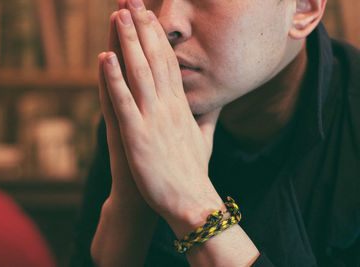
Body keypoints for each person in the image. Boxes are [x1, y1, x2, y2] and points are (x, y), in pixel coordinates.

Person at [71, 0, 360, 265]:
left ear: (302, 8)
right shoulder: (148, 113)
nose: (166, 21)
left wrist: (194, 206)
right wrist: (131, 205)